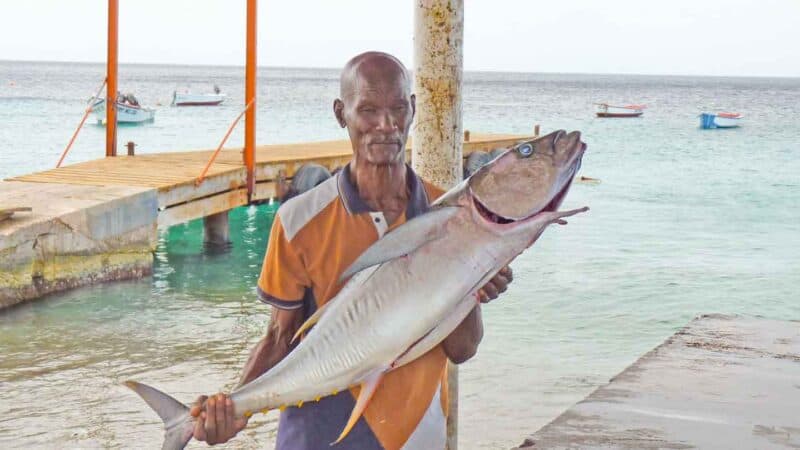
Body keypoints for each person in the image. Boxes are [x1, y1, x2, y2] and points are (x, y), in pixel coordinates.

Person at [190, 51, 513, 450]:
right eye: (368, 110)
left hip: (418, 438)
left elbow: (462, 349)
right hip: (316, 440)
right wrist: (233, 408)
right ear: (341, 113)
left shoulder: (447, 214)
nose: (386, 125)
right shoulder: (298, 220)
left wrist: (475, 281)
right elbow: (279, 336)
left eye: (398, 108)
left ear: (413, 110)